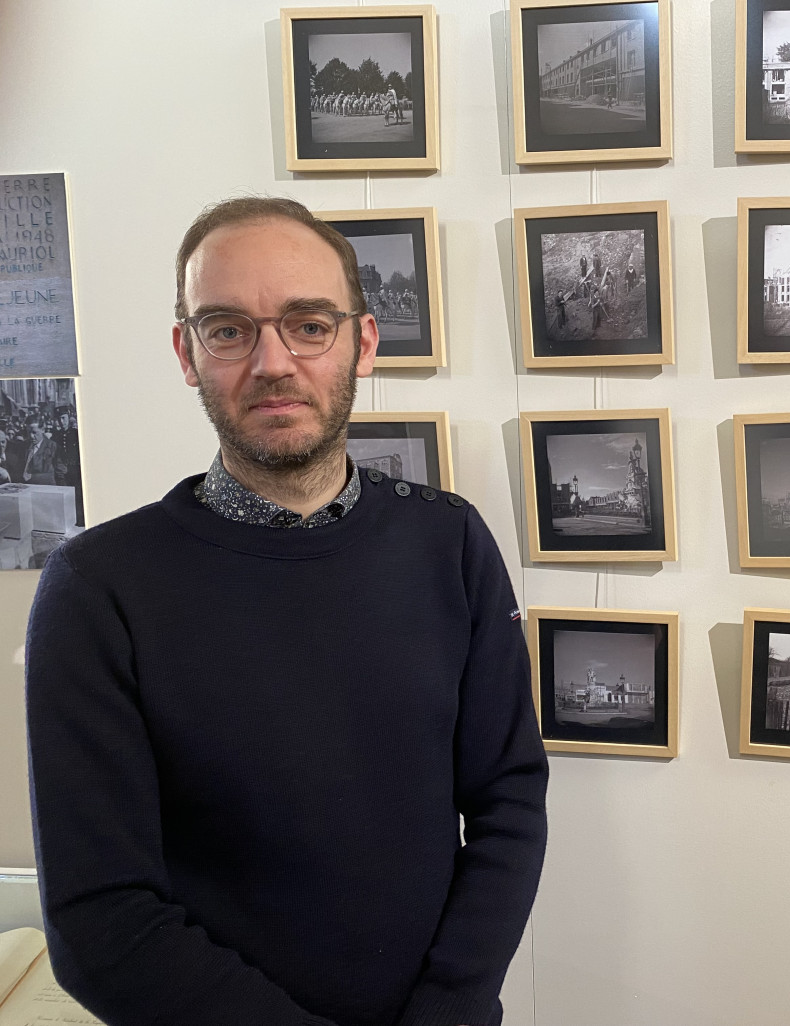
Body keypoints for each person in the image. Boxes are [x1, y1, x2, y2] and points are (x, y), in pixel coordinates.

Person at [25, 197, 549, 1026]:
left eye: (308, 324)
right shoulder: (98, 587)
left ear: (362, 343)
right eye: (229, 329)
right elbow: (101, 916)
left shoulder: (447, 542)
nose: (273, 361)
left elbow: (508, 799)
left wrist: (448, 1007)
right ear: (187, 354)